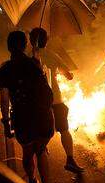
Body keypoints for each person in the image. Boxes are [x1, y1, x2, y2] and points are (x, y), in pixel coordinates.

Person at [0, 31, 55, 183]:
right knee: (41, 150)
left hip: (22, 118)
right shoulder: (34, 64)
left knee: (28, 152)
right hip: (42, 115)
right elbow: (47, 90)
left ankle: (32, 181)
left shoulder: (4, 70)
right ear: (25, 45)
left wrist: (6, 123)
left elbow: (4, 99)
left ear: (8, 47)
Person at [29, 28, 84, 174]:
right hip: (55, 99)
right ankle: (70, 160)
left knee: (40, 135)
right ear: (46, 41)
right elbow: (69, 76)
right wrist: (62, 73)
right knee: (64, 130)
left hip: (36, 103)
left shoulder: (28, 58)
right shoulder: (52, 55)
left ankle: (35, 170)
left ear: (30, 41)